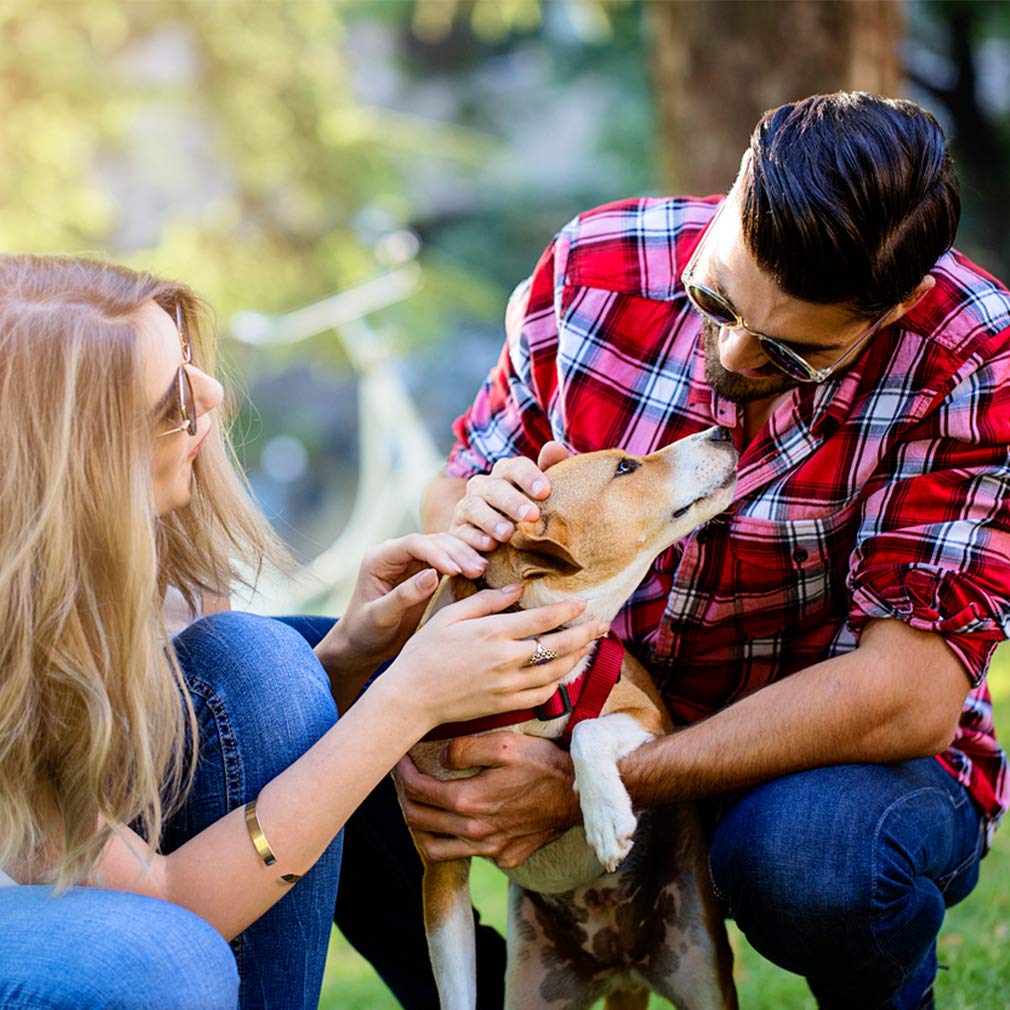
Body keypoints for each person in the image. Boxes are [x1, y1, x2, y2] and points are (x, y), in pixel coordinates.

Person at [359, 93, 1009, 1010]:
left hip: (800, 763)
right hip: (578, 702)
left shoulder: (973, 359)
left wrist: (599, 779)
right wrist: (481, 512)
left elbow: (907, 698)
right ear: (738, 191)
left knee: (814, 860)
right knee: (301, 709)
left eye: (790, 356)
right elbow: (460, 481)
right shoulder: (594, 263)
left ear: (893, 308)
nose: (735, 356)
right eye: (714, 299)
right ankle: (499, 978)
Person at [0, 254, 607, 1010]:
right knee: (163, 964)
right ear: (74, 463)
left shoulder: (117, 562)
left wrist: (348, 659)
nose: (214, 394)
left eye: (190, 360)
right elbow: (171, 904)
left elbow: (192, 764)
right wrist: (406, 703)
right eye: (175, 402)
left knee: (267, 662)